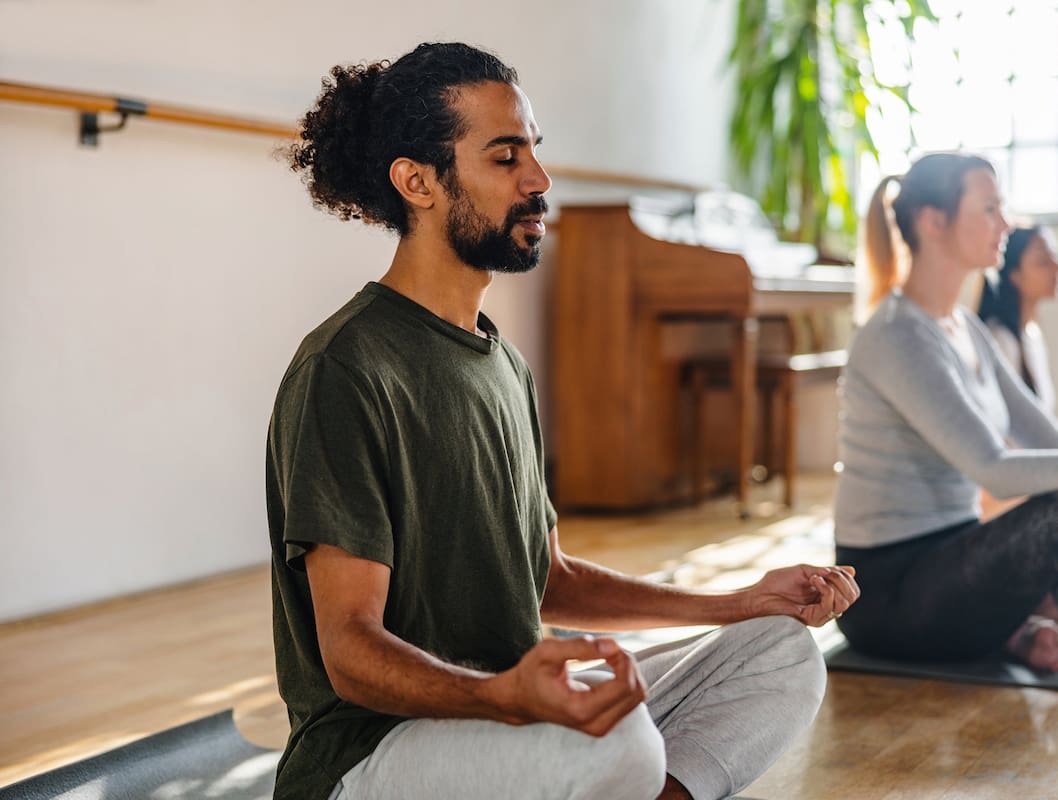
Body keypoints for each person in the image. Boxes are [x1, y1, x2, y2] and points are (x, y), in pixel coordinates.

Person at [266, 42, 860, 800]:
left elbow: (548, 578)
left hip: (510, 716)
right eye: (506, 157)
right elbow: (350, 651)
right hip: (372, 755)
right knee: (619, 745)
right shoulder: (346, 368)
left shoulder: (503, 364)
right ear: (417, 182)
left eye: (534, 154)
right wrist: (504, 698)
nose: (539, 182)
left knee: (780, 654)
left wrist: (744, 600)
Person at [835, 152, 1058, 675]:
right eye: (989, 209)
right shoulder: (897, 335)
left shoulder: (964, 327)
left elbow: (1052, 440)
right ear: (932, 222)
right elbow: (994, 470)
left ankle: (1043, 619)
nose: (1005, 223)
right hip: (890, 598)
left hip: (959, 560)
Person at [977, 224, 1058, 410]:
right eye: (1043, 262)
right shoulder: (1001, 340)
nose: (1057, 267)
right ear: (1014, 275)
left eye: (1055, 256)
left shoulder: (1032, 333)